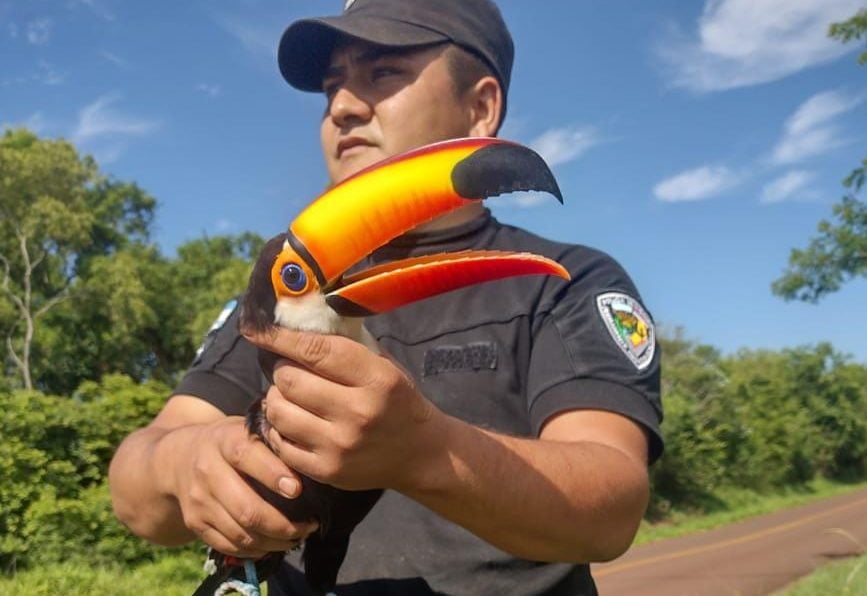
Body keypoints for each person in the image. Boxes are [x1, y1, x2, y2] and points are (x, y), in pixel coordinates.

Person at [108, 1, 663, 594]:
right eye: (330, 88)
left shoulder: (563, 281)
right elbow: (133, 488)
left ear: (480, 107)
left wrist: (425, 451)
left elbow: (612, 508)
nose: (342, 108)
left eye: (383, 73)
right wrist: (188, 463)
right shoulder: (287, 295)